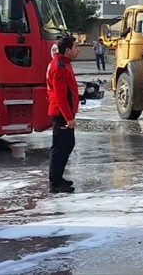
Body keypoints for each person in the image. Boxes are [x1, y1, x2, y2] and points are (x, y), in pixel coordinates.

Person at [47, 36, 81, 194]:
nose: (78, 50)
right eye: (76, 47)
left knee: (66, 145)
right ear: (67, 50)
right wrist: (68, 117)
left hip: (64, 112)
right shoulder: (60, 67)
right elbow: (60, 96)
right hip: (61, 113)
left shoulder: (64, 63)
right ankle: (55, 182)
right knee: (61, 147)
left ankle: (58, 178)